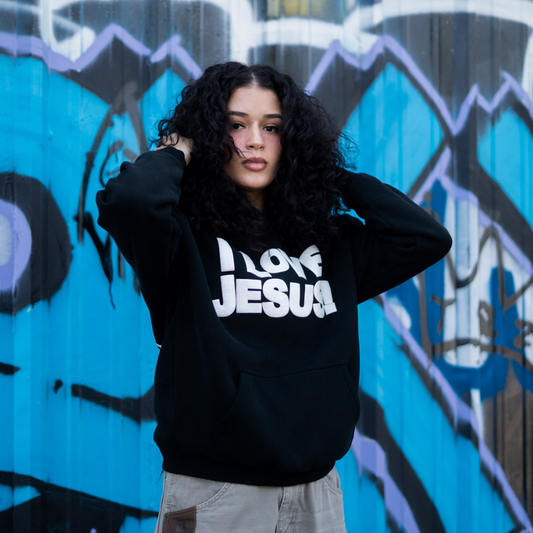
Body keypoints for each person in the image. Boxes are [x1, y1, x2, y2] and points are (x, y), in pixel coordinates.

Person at [96, 62, 452, 533]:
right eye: (235, 126)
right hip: (215, 490)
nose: (254, 142)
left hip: (317, 491)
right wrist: (179, 148)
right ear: (210, 135)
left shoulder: (331, 240)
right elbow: (131, 200)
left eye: (272, 128)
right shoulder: (178, 238)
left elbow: (425, 237)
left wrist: (325, 173)